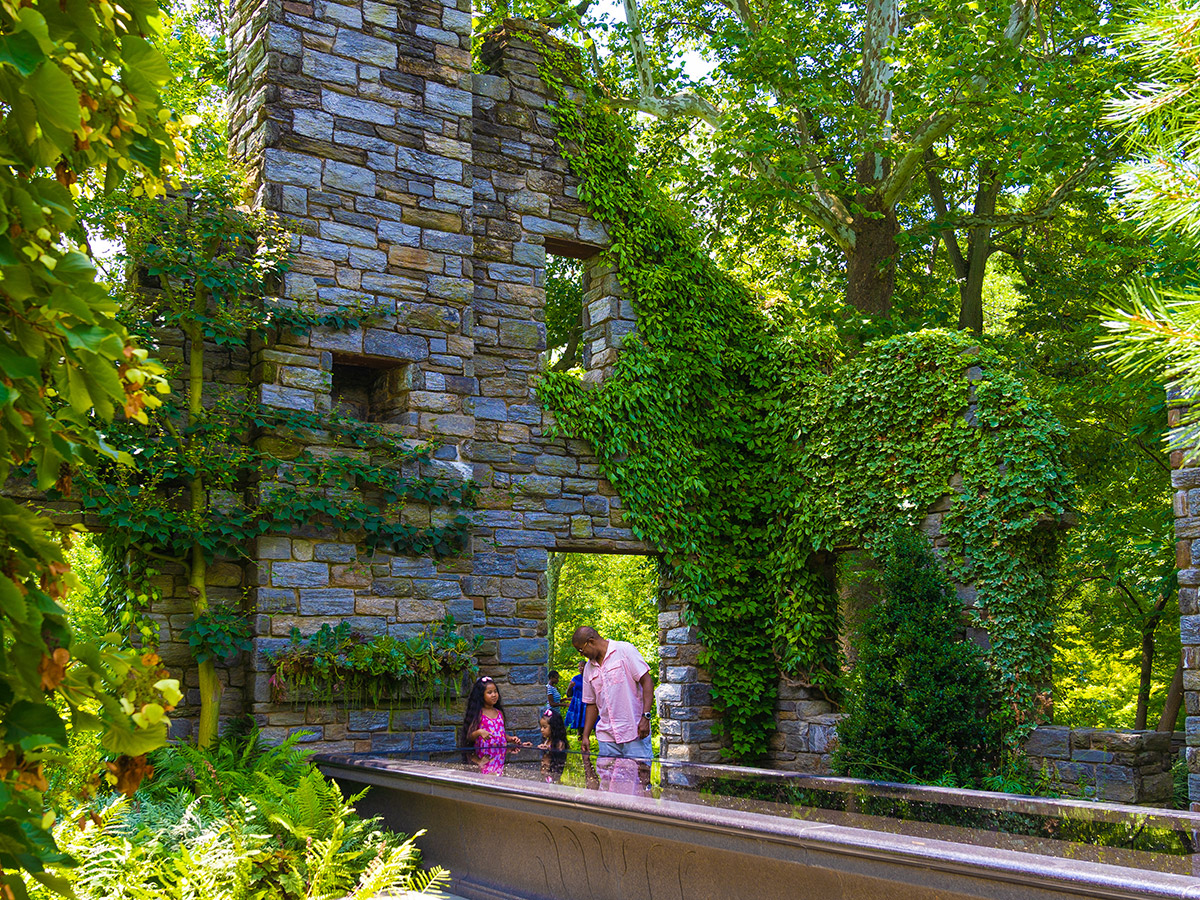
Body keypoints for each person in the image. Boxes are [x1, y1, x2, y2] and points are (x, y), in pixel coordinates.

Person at [572, 625, 654, 761]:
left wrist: (646, 717)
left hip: (634, 731)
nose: (581, 654)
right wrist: (585, 735)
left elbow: (647, 682)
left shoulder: (624, 651)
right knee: (608, 780)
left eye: (581, 650)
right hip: (606, 738)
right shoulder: (588, 668)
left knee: (640, 778)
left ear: (591, 642)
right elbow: (591, 704)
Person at [461, 676, 527, 774]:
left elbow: (499, 734)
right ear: (480, 695)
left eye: (495, 691)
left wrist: (510, 739)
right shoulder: (479, 714)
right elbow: (469, 737)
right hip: (483, 757)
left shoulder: (499, 713)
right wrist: (479, 732)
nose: (494, 695)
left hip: (499, 758)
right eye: (489, 692)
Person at [537, 706, 569, 782]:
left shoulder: (559, 744)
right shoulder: (546, 740)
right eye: (541, 727)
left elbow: (558, 755)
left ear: (554, 728)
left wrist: (549, 749)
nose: (541, 730)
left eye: (544, 727)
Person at [563, 660, 586, 732]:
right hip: (577, 702)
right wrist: (569, 687)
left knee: (586, 719)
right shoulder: (575, 679)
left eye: (582, 666)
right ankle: (577, 735)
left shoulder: (591, 678)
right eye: (579, 667)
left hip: (586, 702)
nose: (580, 668)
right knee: (576, 719)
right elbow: (569, 694)